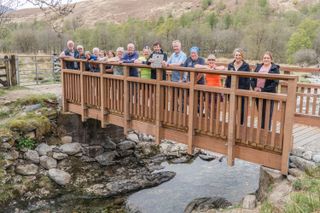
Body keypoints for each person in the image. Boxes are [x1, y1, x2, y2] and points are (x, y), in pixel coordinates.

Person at [251, 51, 280, 129]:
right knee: (260, 112)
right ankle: (261, 130)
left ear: (271, 59)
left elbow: (275, 83)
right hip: (258, 94)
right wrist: (254, 87)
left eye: (268, 58)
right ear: (262, 59)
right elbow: (252, 78)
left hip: (269, 94)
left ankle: (266, 132)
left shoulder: (275, 68)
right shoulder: (258, 67)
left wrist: (263, 90)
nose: (266, 59)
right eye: (264, 58)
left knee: (267, 114)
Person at [225, 48, 250, 125]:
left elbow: (247, 80)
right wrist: (226, 88)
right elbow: (228, 78)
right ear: (234, 56)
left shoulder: (246, 66)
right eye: (236, 55)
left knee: (242, 110)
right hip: (231, 91)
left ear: (242, 56)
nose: (238, 56)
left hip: (241, 91)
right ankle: (232, 126)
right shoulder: (230, 65)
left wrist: (245, 92)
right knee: (232, 109)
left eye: (239, 55)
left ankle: (241, 126)